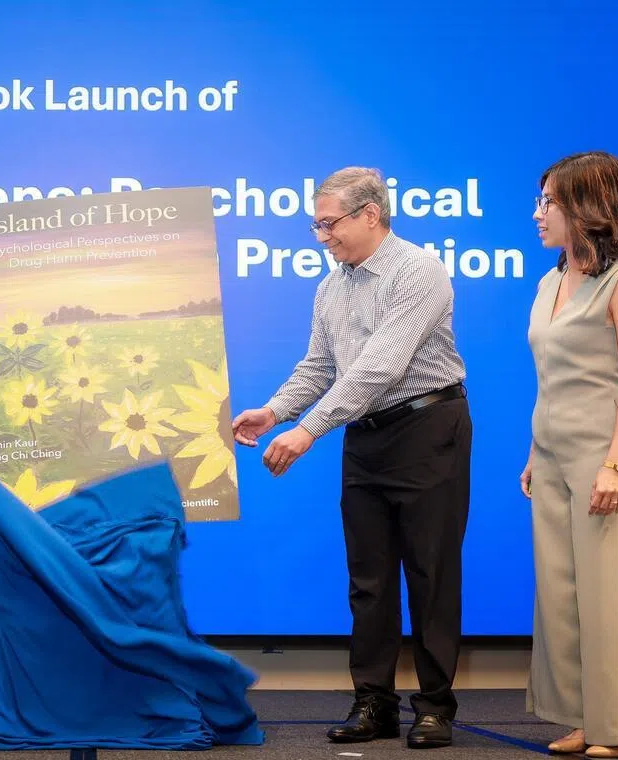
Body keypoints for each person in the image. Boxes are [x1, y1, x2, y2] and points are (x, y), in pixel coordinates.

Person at [232, 167, 471, 749]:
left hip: (427, 428)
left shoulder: (419, 271)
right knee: (368, 580)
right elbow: (320, 365)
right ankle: (374, 704)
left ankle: (434, 708)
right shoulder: (331, 285)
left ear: (371, 214)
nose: (321, 235)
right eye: (316, 223)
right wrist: (275, 411)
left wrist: (309, 430)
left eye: (329, 222)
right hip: (365, 437)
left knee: (430, 574)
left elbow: (381, 366)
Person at [523, 152, 618, 759]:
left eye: (548, 202)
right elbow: (550, 376)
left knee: (611, 591)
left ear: (586, 208)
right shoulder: (551, 281)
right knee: (561, 591)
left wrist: (616, 462)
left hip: (607, 451)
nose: (538, 214)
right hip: (551, 453)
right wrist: (534, 451)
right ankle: (583, 717)